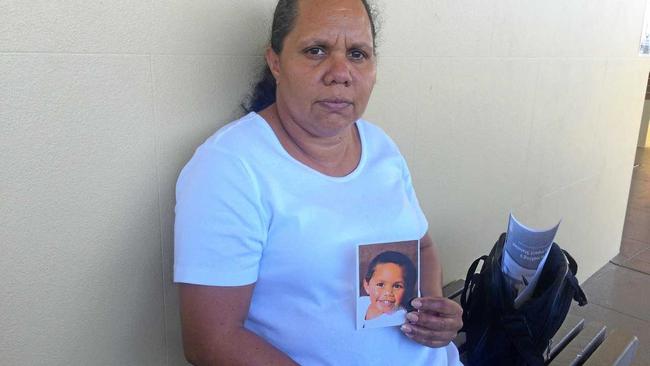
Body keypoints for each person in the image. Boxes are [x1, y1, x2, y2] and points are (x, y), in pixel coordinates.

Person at [174, 0, 464, 364]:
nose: (340, 72)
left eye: (358, 54)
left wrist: (432, 314)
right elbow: (211, 341)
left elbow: (422, 248)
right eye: (316, 51)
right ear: (275, 62)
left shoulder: (379, 146)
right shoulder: (230, 168)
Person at [359, 251, 417, 329]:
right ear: (367, 285)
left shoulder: (399, 318)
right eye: (380, 285)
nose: (388, 292)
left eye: (397, 286)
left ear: (406, 291)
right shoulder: (361, 303)